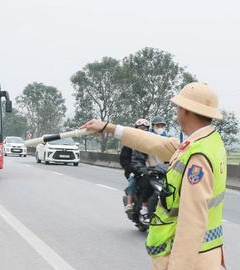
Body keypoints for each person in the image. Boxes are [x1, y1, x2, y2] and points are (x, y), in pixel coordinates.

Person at [81, 82, 227, 270]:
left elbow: (192, 223)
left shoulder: (198, 157)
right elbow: (157, 143)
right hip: (204, 255)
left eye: (177, 108)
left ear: (185, 111)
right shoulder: (207, 142)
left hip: (190, 260)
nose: (176, 113)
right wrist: (109, 128)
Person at [132, 116, 170, 225]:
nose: (160, 128)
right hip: (150, 171)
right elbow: (136, 160)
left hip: (165, 171)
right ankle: (144, 209)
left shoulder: (168, 140)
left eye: (162, 126)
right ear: (153, 126)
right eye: (158, 126)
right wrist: (144, 170)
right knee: (147, 182)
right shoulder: (144, 140)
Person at [120, 118, 151, 215]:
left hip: (149, 169)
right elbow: (124, 159)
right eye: (140, 128)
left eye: (145, 128)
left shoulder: (151, 142)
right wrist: (131, 170)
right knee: (133, 180)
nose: (142, 130)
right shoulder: (129, 143)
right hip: (134, 170)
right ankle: (130, 203)